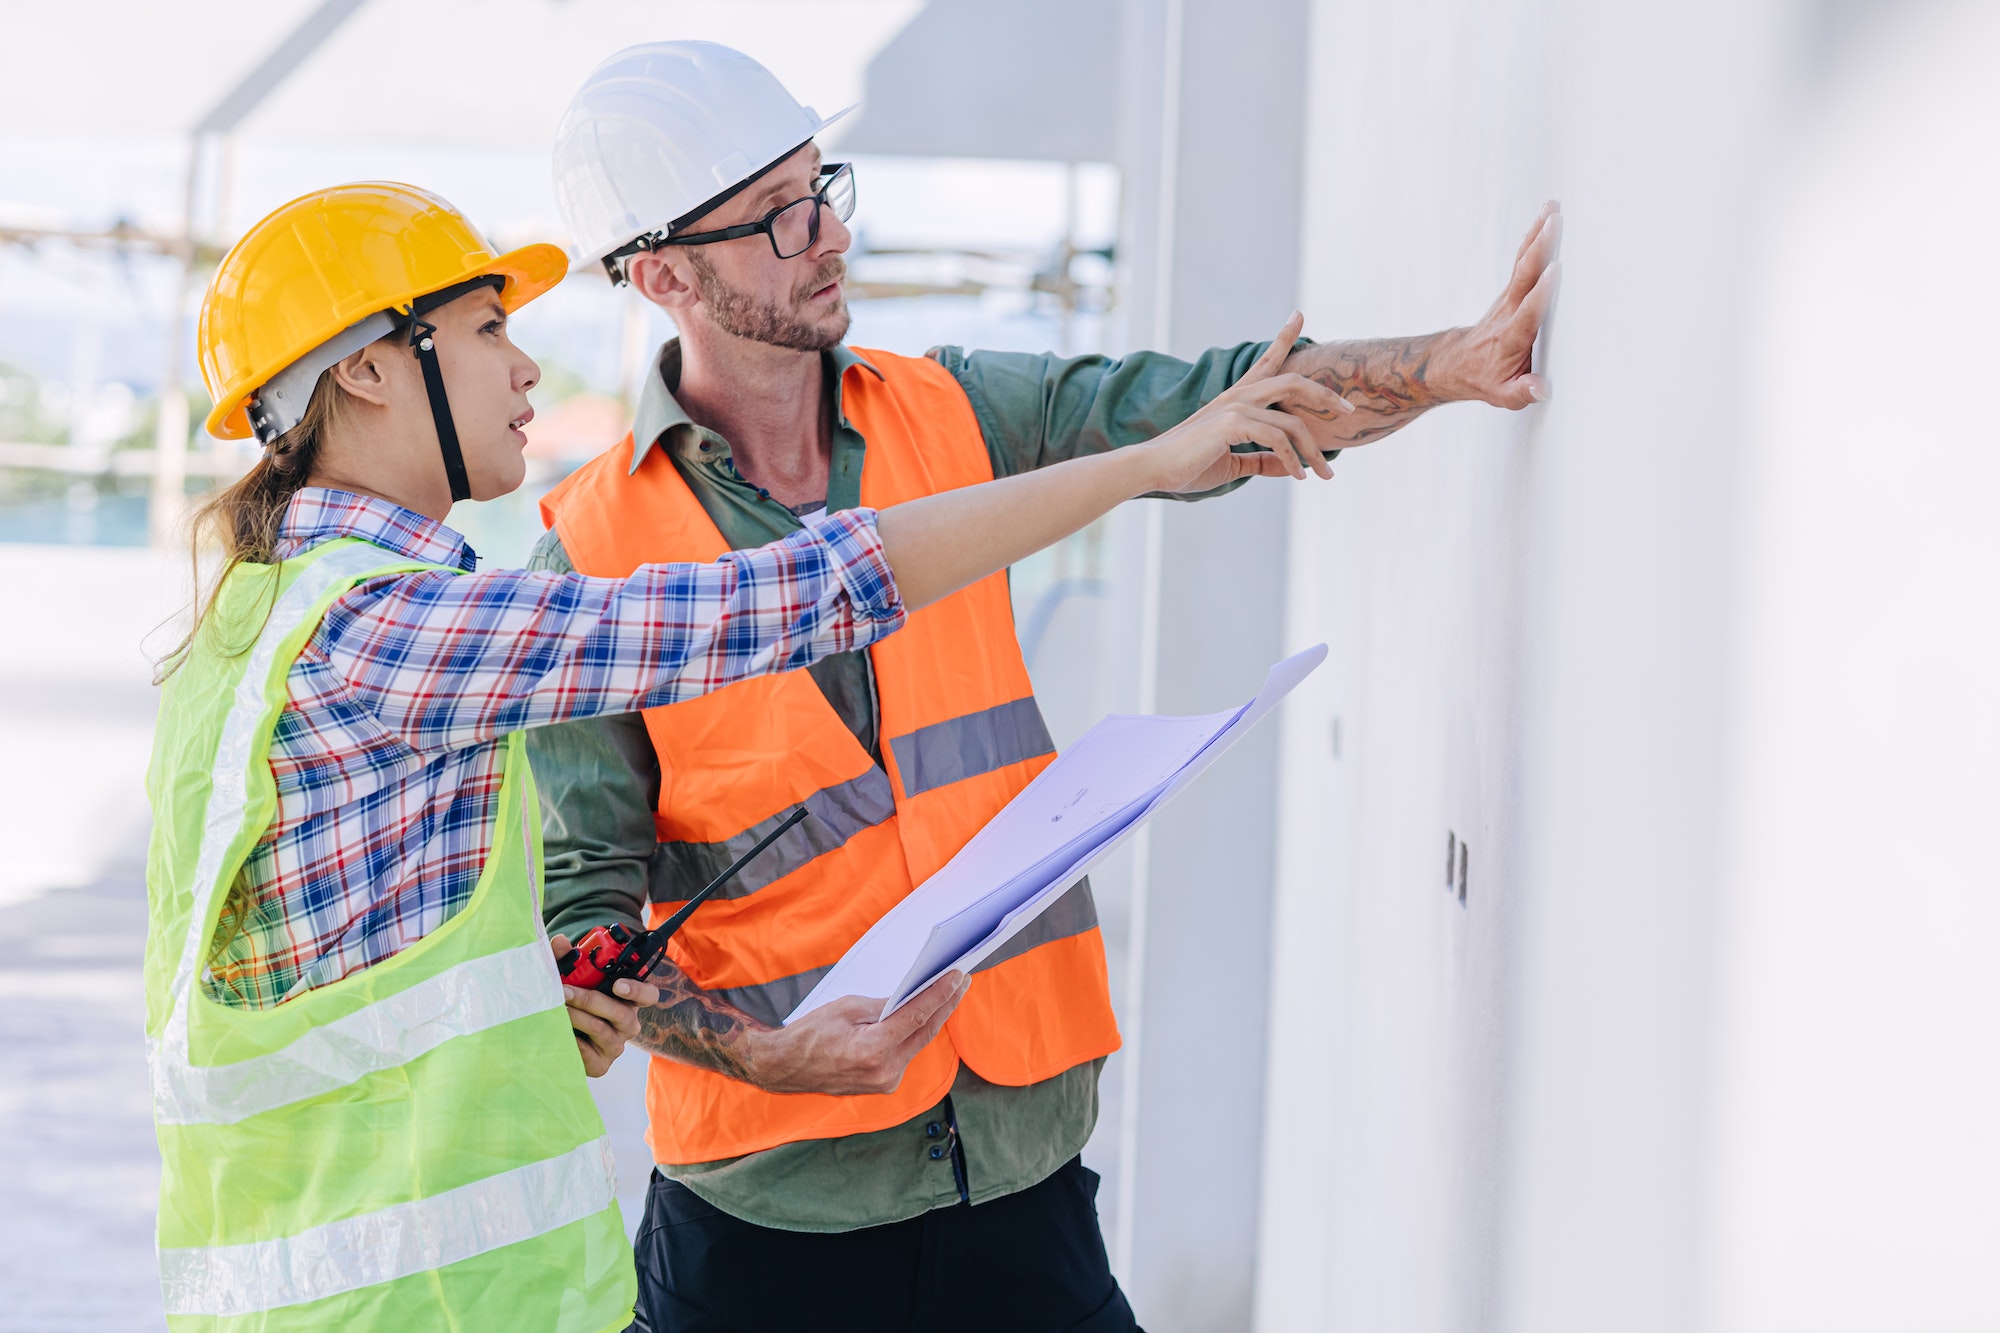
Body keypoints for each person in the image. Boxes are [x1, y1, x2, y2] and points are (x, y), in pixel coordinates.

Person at [140, 180, 1337, 1332]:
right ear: (365, 367)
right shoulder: (384, 628)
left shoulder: (265, 618)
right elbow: (786, 600)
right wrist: (1141, 465)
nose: (523, 367)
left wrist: (536, 1006)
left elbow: (341, 972)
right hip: (407, 1298)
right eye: (488, 330)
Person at [531, 40, 1562, 1333]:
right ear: (663, 275)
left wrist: (1457, 363)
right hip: (770, 1218)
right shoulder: (585, 554)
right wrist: (769, 1052)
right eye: (780, 218)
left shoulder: (949, 413)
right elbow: (586, 915)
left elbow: (1209, 411)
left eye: (823, 189)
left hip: (1018, 1171)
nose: (827, 237)